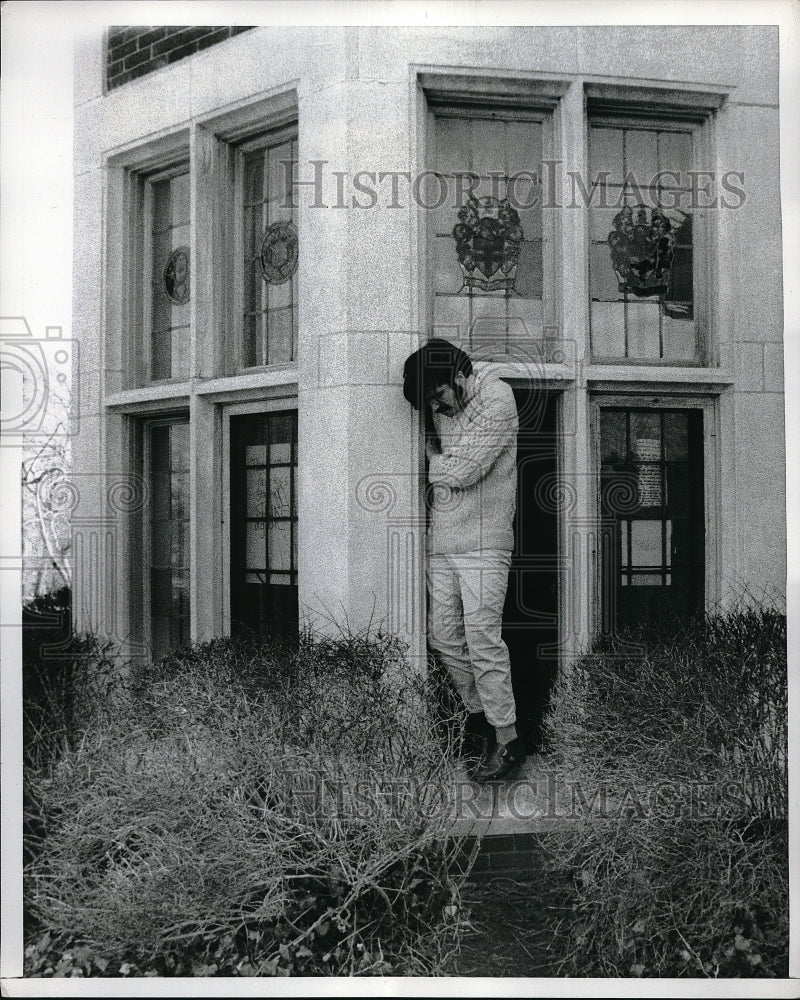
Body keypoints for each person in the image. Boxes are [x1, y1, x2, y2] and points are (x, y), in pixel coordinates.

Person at [402, 338, 525, 782]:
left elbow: (462, 471)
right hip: (444, 539)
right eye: (430, 403)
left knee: (483, 640)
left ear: (458, 376)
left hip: (485, 542)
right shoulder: (441, 401)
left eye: (439, 397)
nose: (437, 408)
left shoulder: (497, 396)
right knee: (443, 637)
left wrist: (434, 459)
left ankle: (508, 739)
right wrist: (442, 458)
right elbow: (449, 466)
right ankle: (480, 717)